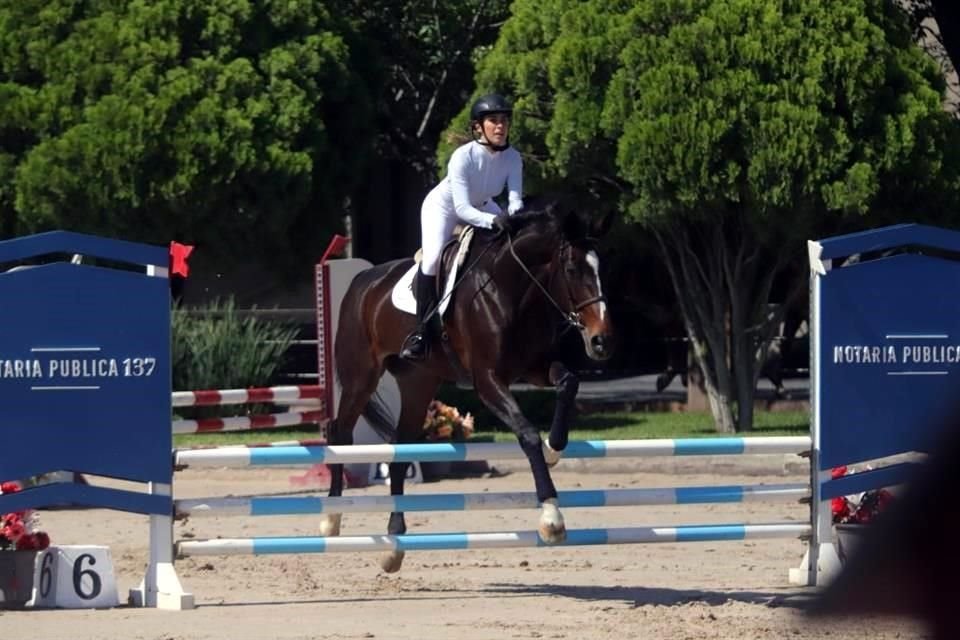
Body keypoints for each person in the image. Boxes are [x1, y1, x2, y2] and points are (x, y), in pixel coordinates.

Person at [400, 93, 524, 361]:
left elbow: (515, 201)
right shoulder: (462, 157)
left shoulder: (513, 158)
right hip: (444, 208)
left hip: (482, 206)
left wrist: (513, 218)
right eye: (493, 120)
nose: (501, 126)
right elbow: (462, 210)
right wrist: (494, 220)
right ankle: (422, 333)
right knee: (432, 260)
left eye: (504, 120)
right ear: (478, 127)